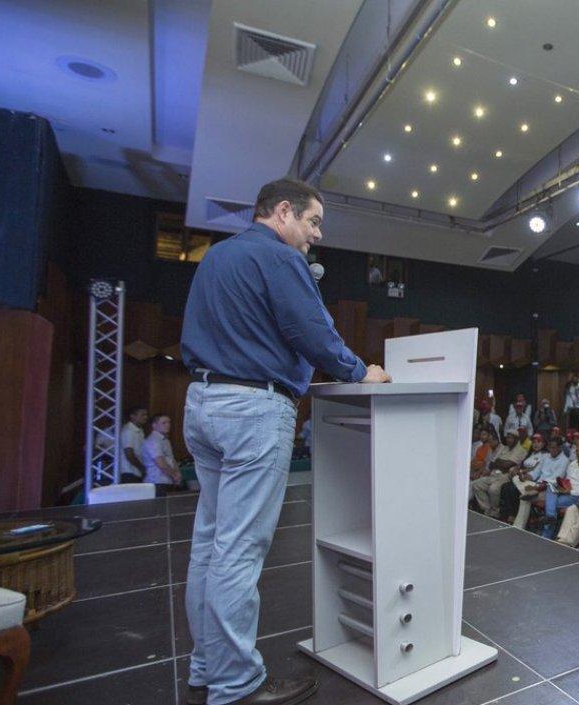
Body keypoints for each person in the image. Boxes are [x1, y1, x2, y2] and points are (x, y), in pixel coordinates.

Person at [180, 177, 390, 705]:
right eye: (313, 221)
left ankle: (207, 665)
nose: (316, 235)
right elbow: (312, 332)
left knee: (209, 545)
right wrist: (360, 370)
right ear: (281, 212)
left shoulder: (216, 257)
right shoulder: (279, 259)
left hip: (203, 405)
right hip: (253, 409)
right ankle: (236, 685)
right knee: (237, 553)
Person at [471, 431, 527, 517]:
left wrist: (501, 463)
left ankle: (495, 512)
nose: (508, 440)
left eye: (511, 438)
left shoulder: (521, 450)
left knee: (493, 489)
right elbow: (493, 463)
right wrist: (502, 464)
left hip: (506, 476)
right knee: (476, 484)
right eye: (507, 437)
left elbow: (507, 465)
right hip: (494, 475)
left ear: (516, 439)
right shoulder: (505, 448)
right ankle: (487, 509)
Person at [140, 413, 182, 491]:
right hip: (156, 481)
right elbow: (160, 463)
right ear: (154, 425)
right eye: (164, 423)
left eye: (169, 422)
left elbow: (172, 460)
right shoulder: (153, 440)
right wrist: (175, 475)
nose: (168, 425)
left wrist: (177, 473)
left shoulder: (165, 440)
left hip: (166, 481)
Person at [120, 406, 149, 483]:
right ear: (132, 416)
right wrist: (142, 468)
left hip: (136, 472)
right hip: (128, 472)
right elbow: (129, 453)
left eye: (146, 415)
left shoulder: (140, 430)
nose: (146, 417)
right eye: (142, 415)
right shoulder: (129, 430)